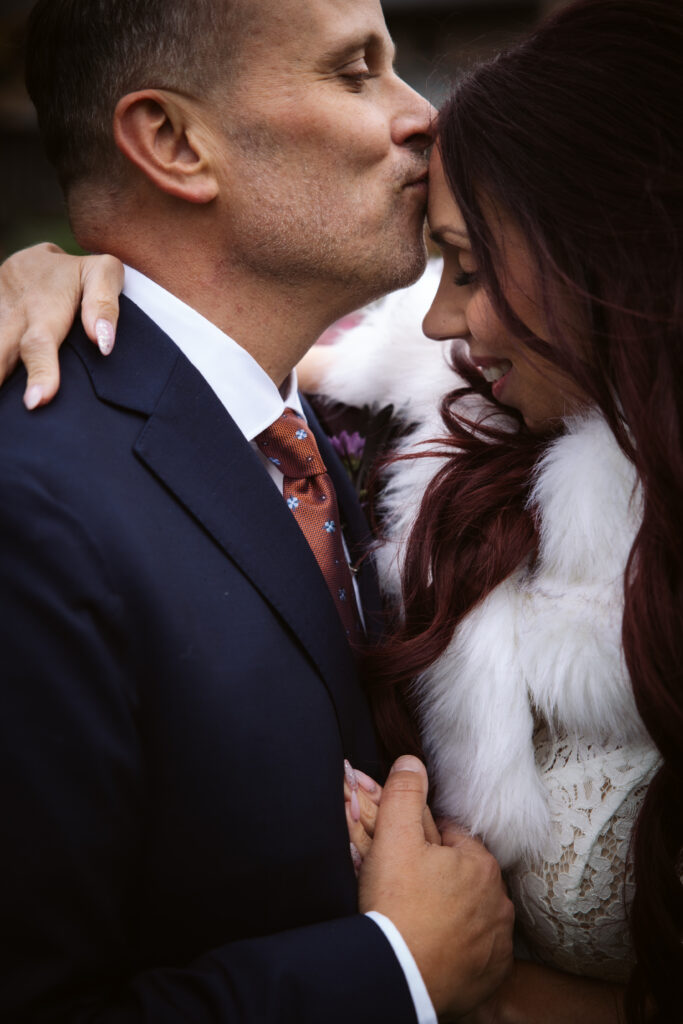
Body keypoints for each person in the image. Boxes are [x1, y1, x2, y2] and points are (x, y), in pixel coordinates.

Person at [0, 0, 515, 1021]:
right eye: (355, 71)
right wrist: (393, 970)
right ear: (171, 141)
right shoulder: (32, 507)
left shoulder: (337, 424)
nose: (423, 115)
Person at [313, 1, 683, 1020]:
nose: (439, 322)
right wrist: (65, 281)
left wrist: (469, 982)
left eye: (468, 269)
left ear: (618, 252)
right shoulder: (429, 429)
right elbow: (206, 379)